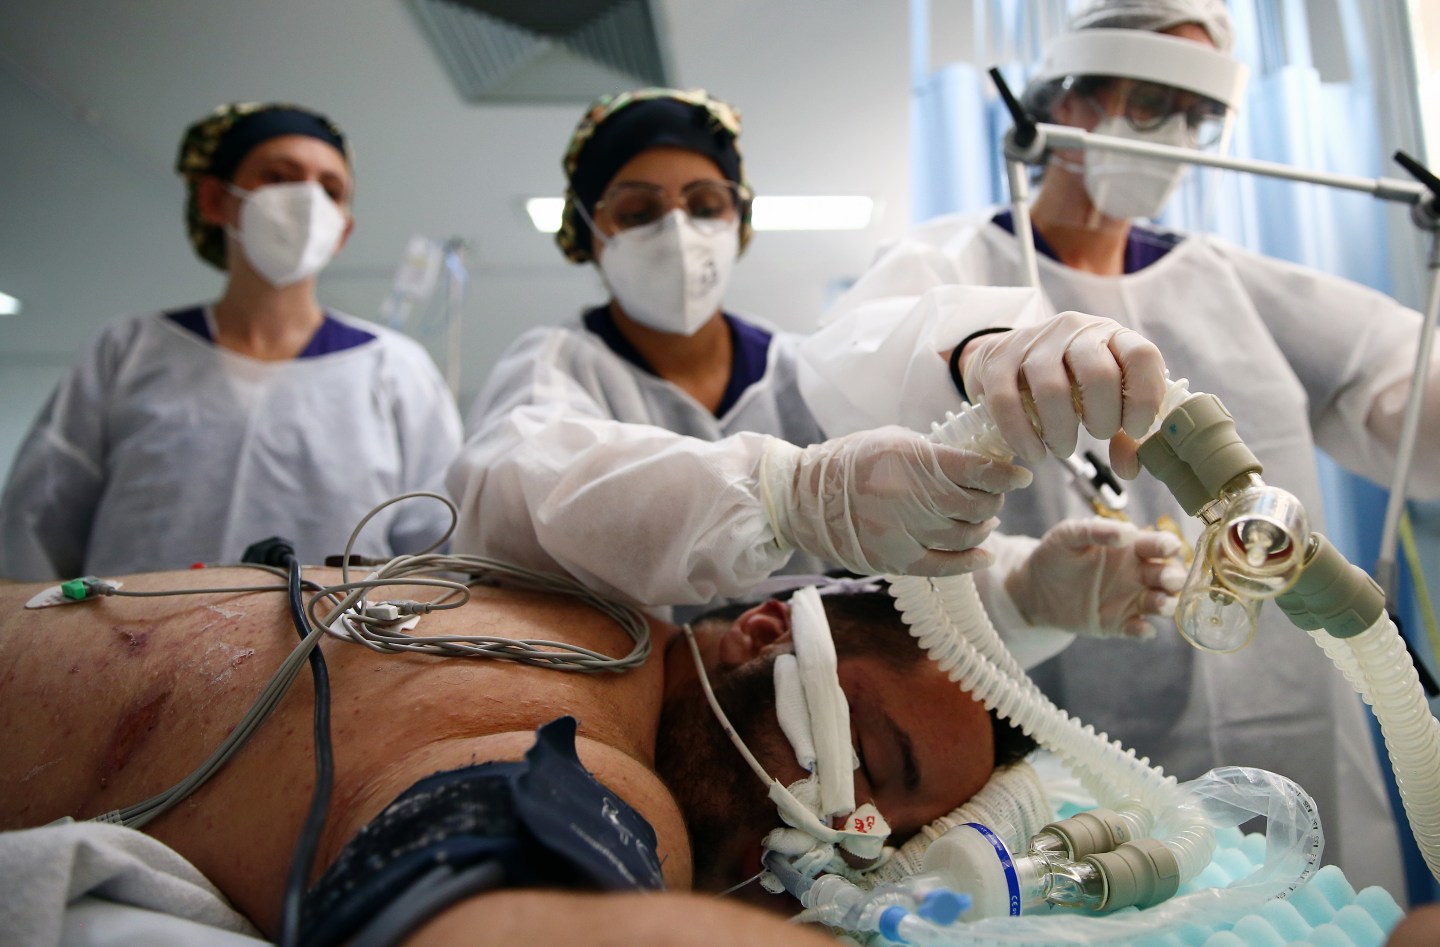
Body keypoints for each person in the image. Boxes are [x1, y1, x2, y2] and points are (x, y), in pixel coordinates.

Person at [814, 0, 1440, 895]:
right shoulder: (953, 268)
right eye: (1150, 104)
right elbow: (848, 381)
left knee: (1317, 903)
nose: (1175, 135)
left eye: (1197, 115)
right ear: (1068, 101)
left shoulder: (1229, 279)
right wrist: (978, 350)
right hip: (1079, 736)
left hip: (1293, 717)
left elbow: (1396, 385)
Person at [448, 87, 1185, 656]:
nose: (677, 231)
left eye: (704, 204)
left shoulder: (805, 371)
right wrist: (783, 496)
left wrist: (1022, 591)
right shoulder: (559, 364)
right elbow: (512, 500)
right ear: (588, 233)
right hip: (628, 730)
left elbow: (885, 576)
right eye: (638, 211)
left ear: (738, 222)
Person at [0, 565, 1035, 945]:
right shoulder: (588, 751)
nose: (854, 837)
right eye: (873, 760)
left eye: (898, 838)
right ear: (765, 632)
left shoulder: (586, 613)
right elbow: (487, 904)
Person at [0, 102, 462, 581]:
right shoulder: (128, 350)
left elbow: (440, 551)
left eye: (330, 189)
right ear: (215, 200)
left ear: (343, 229)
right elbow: (34, 530)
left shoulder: (395, 369)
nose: (307, 200)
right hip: (130, 629)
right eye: (278, 177)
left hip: (336, 630)